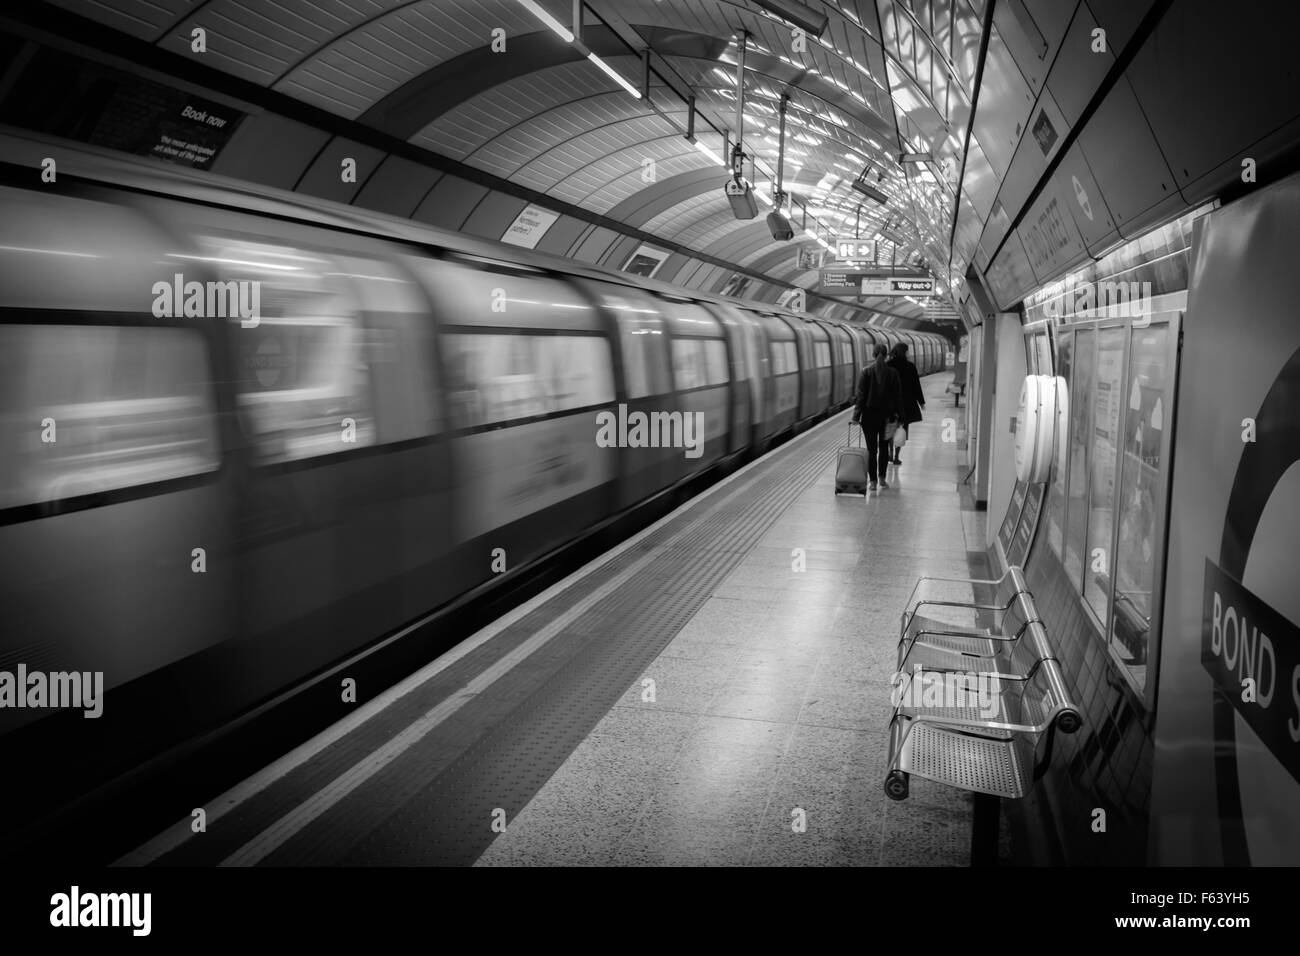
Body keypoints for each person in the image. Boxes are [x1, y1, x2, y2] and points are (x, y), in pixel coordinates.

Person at [852, 343, 902, 491]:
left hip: (868, 417)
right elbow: (898, 397)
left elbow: (861, 397)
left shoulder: (865, 372)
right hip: (888, 418)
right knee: (884, 448)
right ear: (886, 356)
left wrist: (856, 417)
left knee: (871, 450)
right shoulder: (893, 373)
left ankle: (872, 482)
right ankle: (882, 479)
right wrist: (902, 417)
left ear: (873, 355)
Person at [887, 342, 925, 465]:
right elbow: (916, 386)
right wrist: (921, 402)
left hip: (891, 404)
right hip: (906, 405)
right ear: (905, 352)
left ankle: (890, 454)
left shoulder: (888, 365)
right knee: (902, 430)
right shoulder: (910, 366)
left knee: (890, 429)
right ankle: (897, 456)